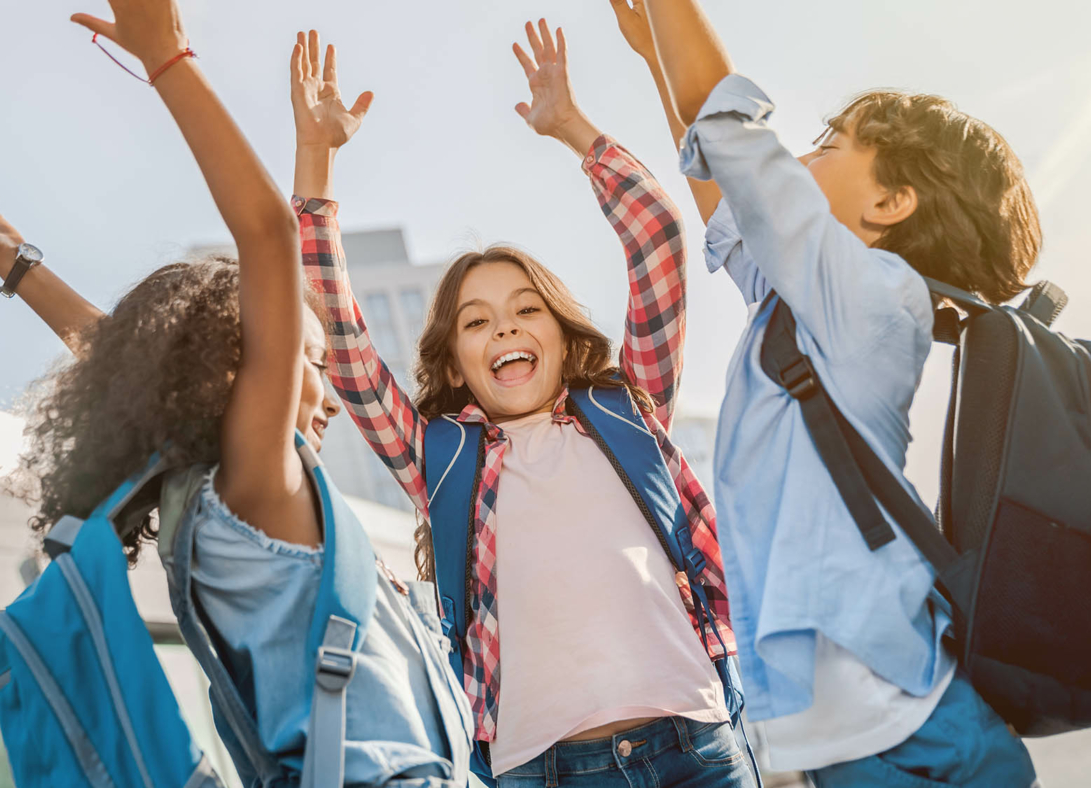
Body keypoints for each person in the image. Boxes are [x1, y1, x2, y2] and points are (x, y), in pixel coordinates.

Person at [0, 5, 471, 784]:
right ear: (232, 372)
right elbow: (267, 237)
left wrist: (20, 265)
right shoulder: (257, 489)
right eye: (306, 358)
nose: (328, 390)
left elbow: (119, 356)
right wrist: (169, 59)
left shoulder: (205, 504)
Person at [303, 18, 758, 788]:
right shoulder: (441, 459)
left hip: (696, 748)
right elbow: (344, 347)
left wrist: (570, 127)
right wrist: (316, 165)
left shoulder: (627, 410)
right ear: (455, 361)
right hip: (540, 771)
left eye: (525, 309)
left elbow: (656, 239)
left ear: (561, 330)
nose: (505, 326)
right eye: (477, 321)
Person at [631, 0, 1042, 785]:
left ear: (889, 206)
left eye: (827, 145)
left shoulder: (876, 299)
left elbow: (736, 142)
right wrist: (656, 55)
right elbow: (722, 184)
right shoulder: (801, 309)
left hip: (911, 725)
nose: (802, 157)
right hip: (851, 734)